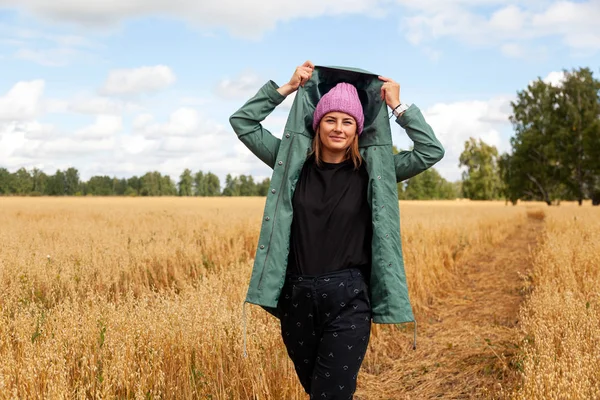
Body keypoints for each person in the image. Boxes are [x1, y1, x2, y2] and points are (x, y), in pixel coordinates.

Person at [229, 60, 444, 399]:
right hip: (296, 298)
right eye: (330, 119)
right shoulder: (291, 164)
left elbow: (431, 151)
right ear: (317, 125)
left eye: (348, 121)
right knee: (318, 392)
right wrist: (286, 88)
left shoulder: (375, 172)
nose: (338, 128)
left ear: (358, 129)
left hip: (349, 300)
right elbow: (242, 122)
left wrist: (399, 107)